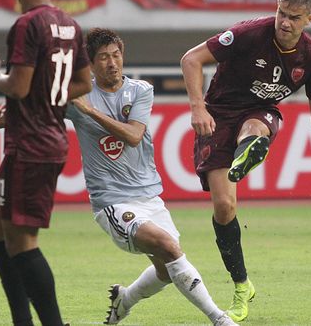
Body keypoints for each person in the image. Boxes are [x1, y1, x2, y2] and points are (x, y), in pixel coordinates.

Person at [180, 0, 311, 322]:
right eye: (282, 14)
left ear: (309, 19)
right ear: (276, 7)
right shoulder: (248, 34)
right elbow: (191, 59)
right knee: (224, 206)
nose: (285, 22)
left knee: (258, 127)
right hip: (218, 113)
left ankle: (249, 149)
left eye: (294, 18)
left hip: (261, 111)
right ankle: (242, 284)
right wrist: (197, 108)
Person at [65, 28, 236, 326]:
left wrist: (90, 112)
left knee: (166, 270)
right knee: (171, 249)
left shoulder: (140, 90)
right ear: (91, 64)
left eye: (116, 55)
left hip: (150, 197)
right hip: (113, 202)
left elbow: (133, 135)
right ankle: (220, 319)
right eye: (103, 57)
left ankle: (125, 299)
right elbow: (32, 110)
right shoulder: (78, 95)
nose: (112, 63)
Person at [0, 0, 92, 326]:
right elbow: (83, 81)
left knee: (22, 243)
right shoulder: (70, 24)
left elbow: (17, 87)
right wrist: (42, 94)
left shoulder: (26, 24)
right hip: (42, 140)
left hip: (32, 146)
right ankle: (22, 319)